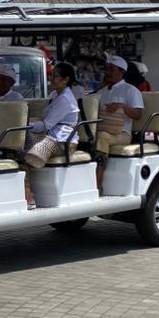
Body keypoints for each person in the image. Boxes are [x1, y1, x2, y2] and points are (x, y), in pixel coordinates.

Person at [20, 62, 80, 209]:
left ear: (66, 80)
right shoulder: (55, 95)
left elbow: (46, 124)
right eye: (51, 75)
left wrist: (24, 126)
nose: (51, 79)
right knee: (16, 147)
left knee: (23, 155)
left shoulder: (65, 99)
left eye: (55, 76)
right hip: (52, 138)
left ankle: (29, 197)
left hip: (64, 142)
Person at [93, 55, 144, 190]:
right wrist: (97, 88)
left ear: (122, 71)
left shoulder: (131, 90)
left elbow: (138, 114)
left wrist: (123, 107)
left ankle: (98, 183)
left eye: (111, 69)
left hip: (122, 133)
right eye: (106, 69)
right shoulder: (102, 91)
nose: (107, 72)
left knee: (102, 137)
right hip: (102, 129)